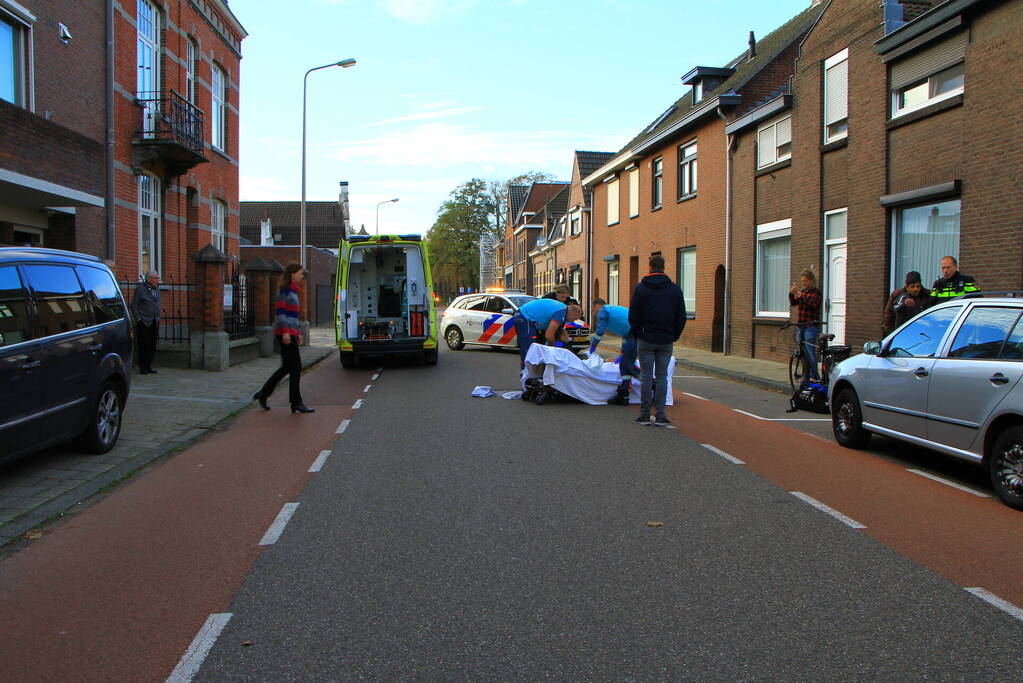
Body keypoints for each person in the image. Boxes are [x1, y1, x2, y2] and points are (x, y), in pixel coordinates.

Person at [628, 255, 686, 427]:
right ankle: (661, 415)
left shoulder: (641, 289)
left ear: (649, 266)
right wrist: (673, 335)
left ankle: (645, 415)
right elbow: (681, 316)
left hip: (646, 337)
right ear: (664, 267)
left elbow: (633, 316)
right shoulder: (675, 290)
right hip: (666, 338)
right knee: (662, 378)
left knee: (646, 377)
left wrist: (639, 333)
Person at [254, 263, 314, 414]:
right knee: (295, 367)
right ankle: (296, 402)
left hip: (290, 332)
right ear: (292, 274)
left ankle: (263, 394)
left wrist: (297, 332)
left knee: (287, 367)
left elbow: (292, 315)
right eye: (300, 274)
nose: (302, 276)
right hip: (284, 333)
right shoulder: (285, 290)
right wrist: (287, 332)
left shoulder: (294, 291)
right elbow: (281, 313)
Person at [589, 298, 640, 404]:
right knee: (625, 365)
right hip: (634, 332)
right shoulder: (614, 310)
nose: (593, 313)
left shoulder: (603, 311)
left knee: (628, 367)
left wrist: (594, 344)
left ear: (597, 306)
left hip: (634, 333)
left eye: (593, 310)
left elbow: (600, 330)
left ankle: (653, 383)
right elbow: (625, 333)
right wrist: (623, 353)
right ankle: (624, 393)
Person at [514, 297, 582, 367]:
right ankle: (526, 370)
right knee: (529, 346)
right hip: (525, 317)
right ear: (572, 313)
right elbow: (549, 335)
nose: (572, 321)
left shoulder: (562, 308)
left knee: (536, 346)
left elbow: (557, 332)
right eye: (574, 319)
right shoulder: (561, 313)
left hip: (524, 315)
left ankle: (533, 370)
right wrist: (554, 348)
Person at [788, 269, 822, 379]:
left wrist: (800, 295)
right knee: (803, 352)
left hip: (811, 327)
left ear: (812, 281)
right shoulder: (803, 292)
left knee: (810, 351)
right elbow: (794, 303)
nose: (803, 283)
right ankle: (806, 375)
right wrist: (791, 294)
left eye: (805, 281)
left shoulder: (816, 292)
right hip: (801, 326)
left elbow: (813, 303)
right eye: (802, 281)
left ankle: (814, 376)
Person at [131, 270, 161, 375]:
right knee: (143, 344)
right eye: (156, 278)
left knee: (152, 345)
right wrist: (138, 319)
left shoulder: (157, 288)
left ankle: (149, 365)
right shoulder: (141, 289)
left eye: (158, 278)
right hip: (144, 321)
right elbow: (134, 305)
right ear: (149, 279)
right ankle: (142, 366)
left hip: (154, 321)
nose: (158, 280)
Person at [882, 271, 930, 335]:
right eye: (912, 287)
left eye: (918, 286)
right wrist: (890, 332)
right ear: (907, 287)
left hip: (920, 332)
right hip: (900, 332)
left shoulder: (927, 295)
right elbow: (889, 313)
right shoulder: (897, 294)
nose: (915, 289)